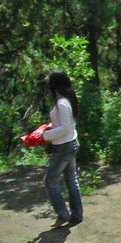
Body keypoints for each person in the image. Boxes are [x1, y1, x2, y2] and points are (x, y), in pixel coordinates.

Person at [41, 70, 82, 227]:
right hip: (71, 143)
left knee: (49, 180)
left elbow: (65, 127)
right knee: (71, 180)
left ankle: (62, 214)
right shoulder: (67, 100)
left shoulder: (61, 103)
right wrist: (51, 127)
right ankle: (77, 214)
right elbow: (67, 125)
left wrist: (45, 135)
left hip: (64, 146)